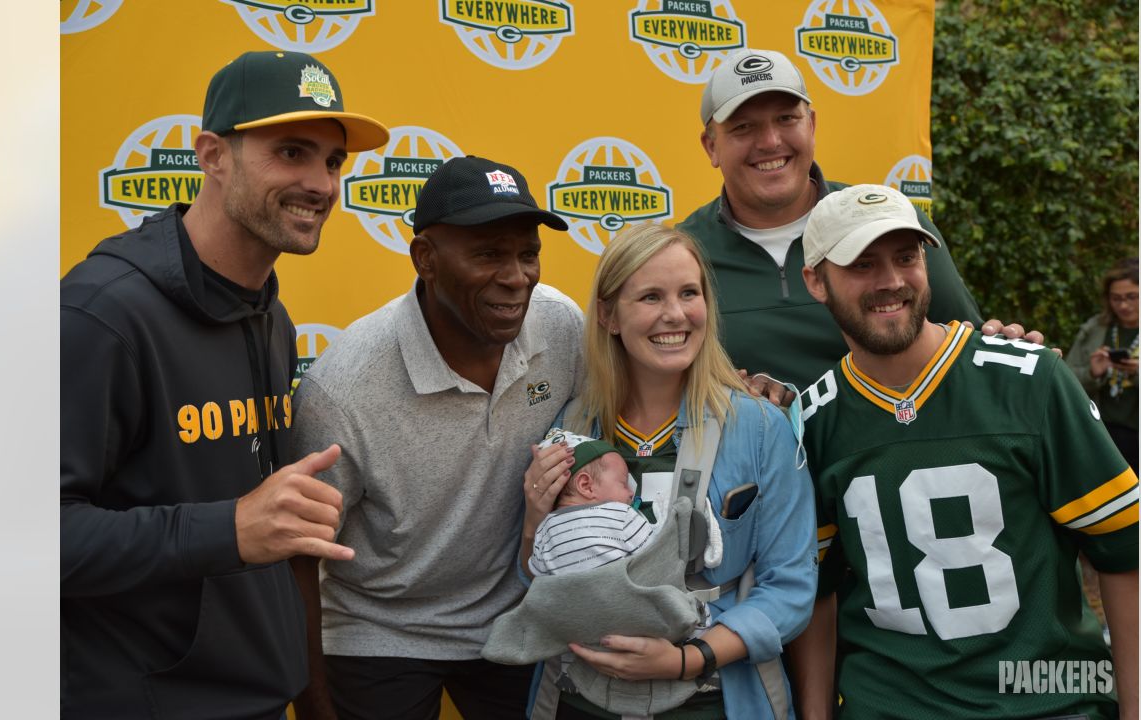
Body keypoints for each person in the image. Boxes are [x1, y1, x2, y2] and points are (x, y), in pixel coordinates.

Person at [60, 51, 389, 719]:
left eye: (332, 161)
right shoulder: (101, 315)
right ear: (213, 155)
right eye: (291, 152)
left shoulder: (271, 316)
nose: (320, 183)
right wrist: (226, 529)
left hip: (256, 692)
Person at [789, 185, 1139, 719]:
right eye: (861, 264)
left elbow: (1127, 555)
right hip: (889, 707)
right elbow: (816, 592)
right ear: (816, 280)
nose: (890, 281)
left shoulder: (1031, 383)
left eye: (906, 257)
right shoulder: (813, 424)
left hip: (1046, 703)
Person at [288, 156, 584, 720]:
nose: (517, 276)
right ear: (425, 259)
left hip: (514, 617)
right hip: (380, 627)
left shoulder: (561, 326)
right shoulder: (343, 389)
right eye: (488, 254)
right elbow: (298, 560)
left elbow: (635, 404)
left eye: (527, 253)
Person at [521, 223, 817, 719]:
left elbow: (790, 587)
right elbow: (537, 580)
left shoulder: (759, 426)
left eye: (688, 293)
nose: (675, 314)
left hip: (715, 699)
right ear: (609, 315)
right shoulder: (570, 427)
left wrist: (688, 658)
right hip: (580, 698)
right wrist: (534, 521)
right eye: (651, 297)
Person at [679, 48, 1035, 395]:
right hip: (750, 454)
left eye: (787, 119)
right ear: (711, 146)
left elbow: (964, 348)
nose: (770, 141)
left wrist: (1018, 355)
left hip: (891, 447)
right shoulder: (682, 254)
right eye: (743, 127)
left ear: (812, 125)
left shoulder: (889, 225)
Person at [527, 429, 656, 577]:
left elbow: (538, 580)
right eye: (624, 483)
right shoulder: (621, 516)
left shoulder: (544, 530)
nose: (631, 493)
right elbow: (655, 557)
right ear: (585, 485)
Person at [1066, 258, 1139, 474]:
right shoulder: (1095, 329)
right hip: (1101, 435)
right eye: (1116, 298)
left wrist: (1139, 373)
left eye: (1132, 297)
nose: (1124, 305)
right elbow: (1066, 380)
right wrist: (1092, 373)